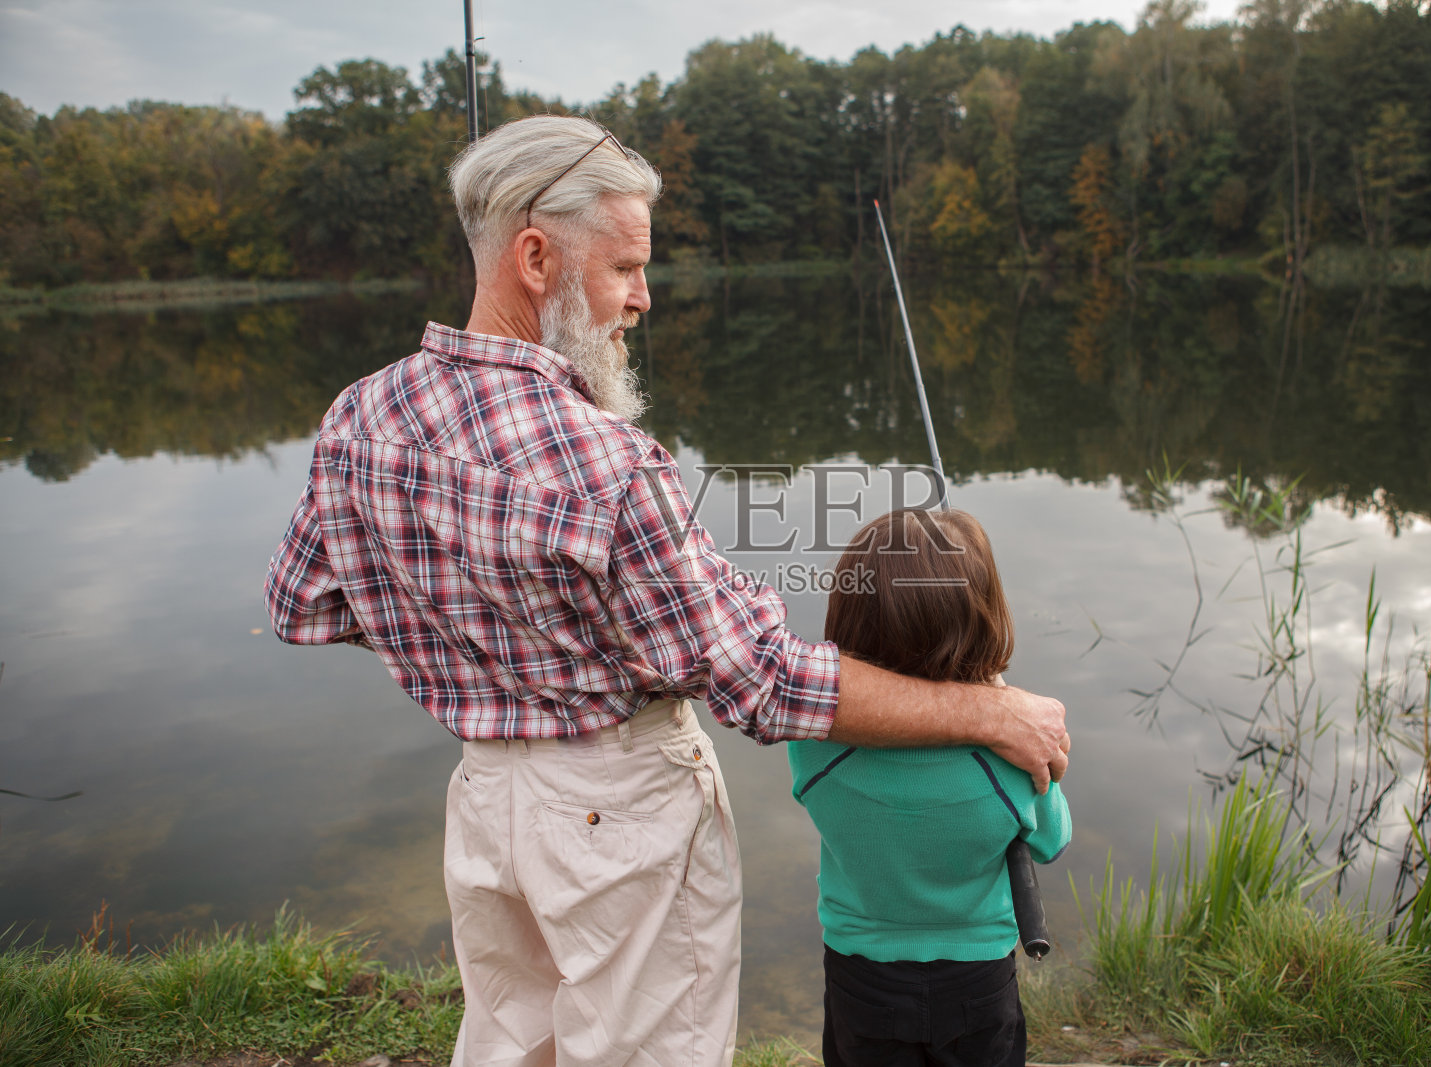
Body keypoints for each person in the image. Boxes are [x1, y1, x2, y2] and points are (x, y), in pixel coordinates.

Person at [263, 114, 1070, 1067]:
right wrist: (986, 708)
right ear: (535, 257)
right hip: (621, 814)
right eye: (623, 268)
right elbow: (766, 685)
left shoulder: (361, 414)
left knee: (510, 1045)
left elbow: (305, 603)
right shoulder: (606, 461)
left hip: (486, 798)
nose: (642, 298)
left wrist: (469, 623)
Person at [789, 508, 1072, 1067]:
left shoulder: (816, 746)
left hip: (861, 977)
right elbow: (1053, 840)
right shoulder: (1010, 761)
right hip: (978, 984)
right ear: (984, 619)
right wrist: (996, 700)